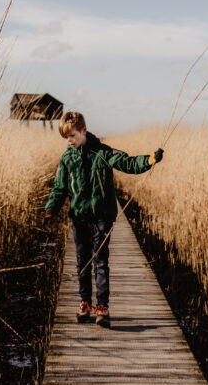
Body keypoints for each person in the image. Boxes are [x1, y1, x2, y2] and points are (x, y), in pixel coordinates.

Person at [42, 110, 163, 328]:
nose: (69, 141)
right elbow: (59, 189)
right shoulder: (67, 158)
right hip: (79, 218)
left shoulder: (103, 153)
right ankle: (85, 302)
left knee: (100, 261)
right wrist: (50, 211)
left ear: (83, 131)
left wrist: (150, 160)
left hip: (102, 218)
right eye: (66, 137)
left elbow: (128, 163)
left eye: (72, 136)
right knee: (82, 262)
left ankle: (102, 307)